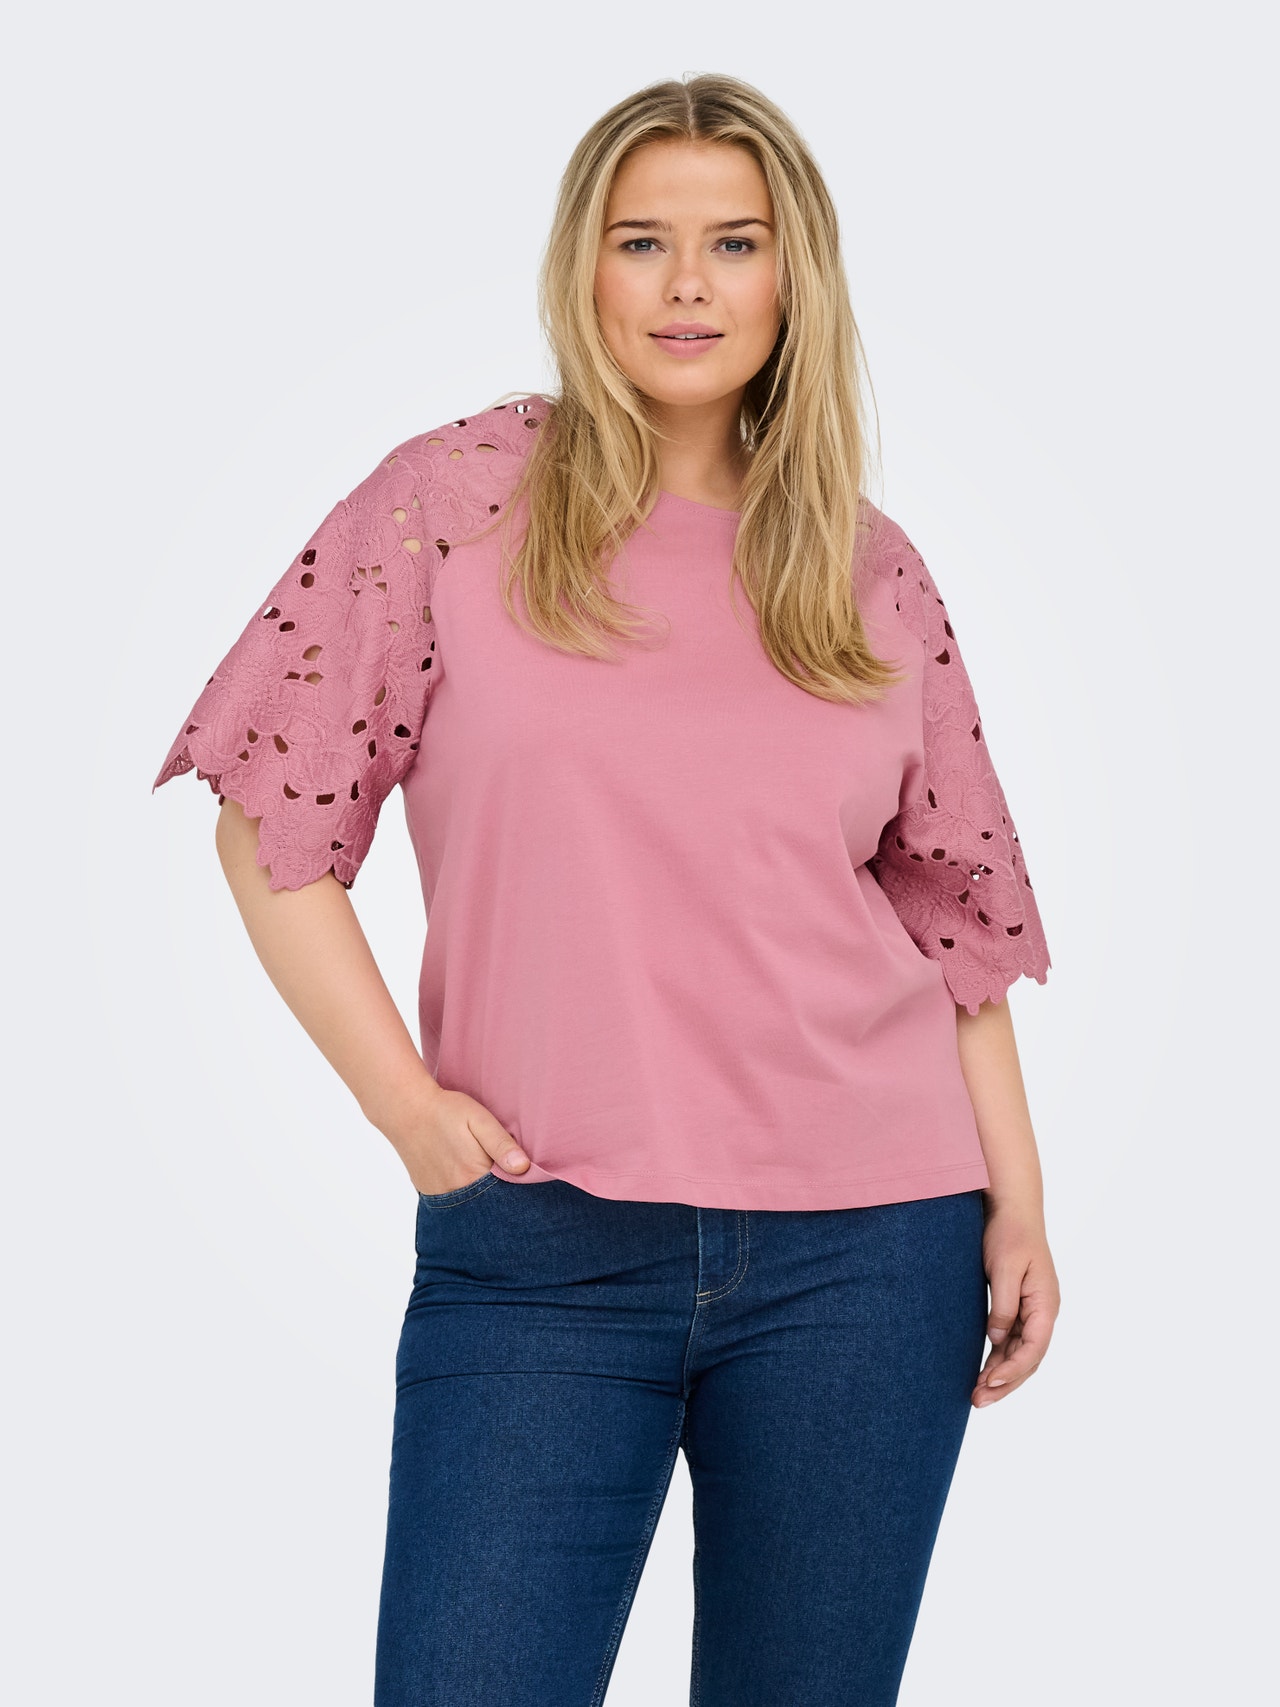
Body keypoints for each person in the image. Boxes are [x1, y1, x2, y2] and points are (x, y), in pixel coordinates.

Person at [153, 71, 1060, 1707]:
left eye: (735, 242)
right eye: (644, 240)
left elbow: (950, 922)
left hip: (871, 1257)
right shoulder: (449, 507)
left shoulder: (865, 567)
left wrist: (1023, 1203)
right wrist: (407, 1110)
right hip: (538, 1244)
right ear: (584, 265)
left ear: (795, 278)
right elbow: (270, 827)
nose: (688, 284)